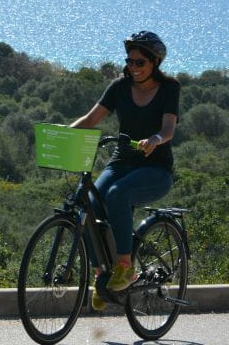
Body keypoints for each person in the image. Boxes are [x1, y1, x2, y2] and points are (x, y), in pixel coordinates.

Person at [70, 31, 180, 309]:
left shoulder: (169, 89)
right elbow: (92, 119)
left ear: (155, 62)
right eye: (129, 61)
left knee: (118, 194)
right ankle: (102, 275)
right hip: (121, 162)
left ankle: (125, 266)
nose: (133, 67)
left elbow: (168, 130)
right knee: (87, 203)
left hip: (155, 168)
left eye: (139, 62)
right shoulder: (119, 87)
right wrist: (61, 133)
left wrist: (155, 139)